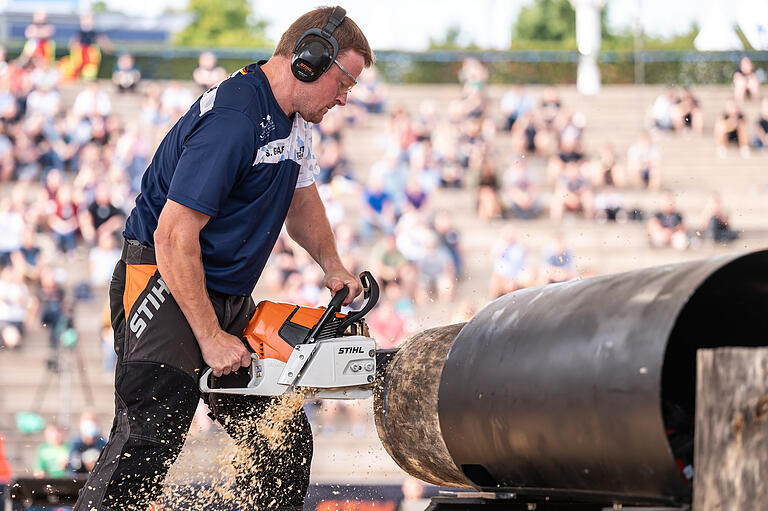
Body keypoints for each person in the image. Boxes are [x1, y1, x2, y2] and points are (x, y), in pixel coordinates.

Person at [73, 6, 372, 511]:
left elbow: (301, 198)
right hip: (164, 280)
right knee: (150, 436)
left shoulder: (293, 121)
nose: (345, 97)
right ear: (309, 60)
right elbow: (172, 237)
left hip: (224, 292)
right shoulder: (235, 119)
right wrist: (211, 337)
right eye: (344, 81)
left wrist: (332, 264)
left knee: (281, 445)